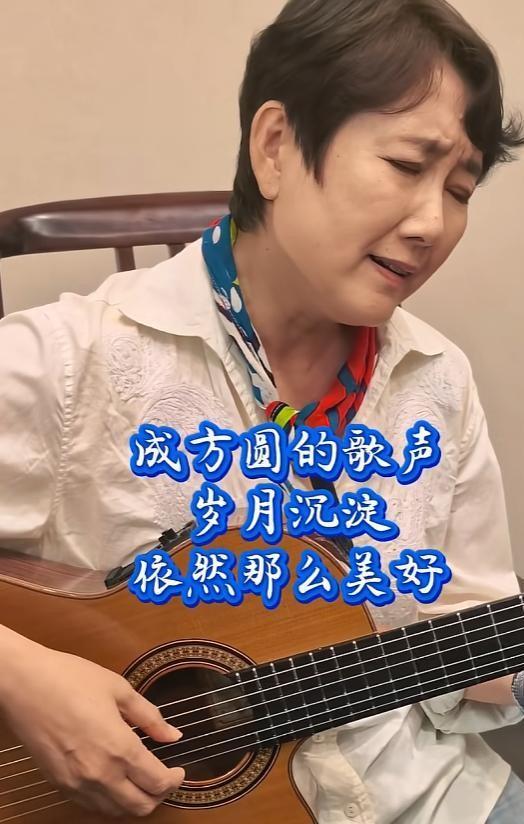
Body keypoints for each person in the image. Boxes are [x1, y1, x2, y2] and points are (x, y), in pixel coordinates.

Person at [0, 0, 523, 821]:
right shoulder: (73, 360)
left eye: (459, 190)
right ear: (276, 146)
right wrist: (19, 674)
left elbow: (466, 618)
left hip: (429, 795)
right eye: (405, 165)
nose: (433, 223)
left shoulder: (438, 380)